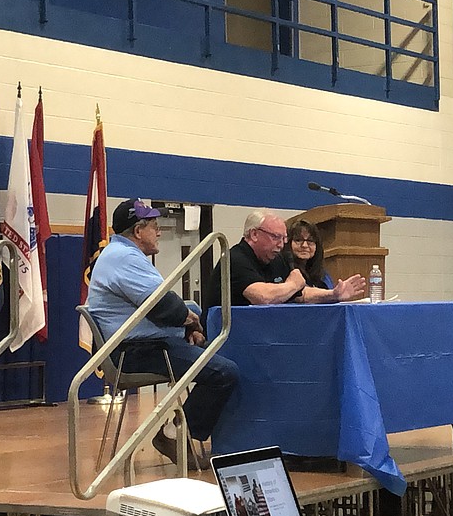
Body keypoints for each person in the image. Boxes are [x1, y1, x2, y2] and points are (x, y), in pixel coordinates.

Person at [87, 198, 238, 470]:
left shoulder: (121, 256)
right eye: (155, 226)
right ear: (137, 231)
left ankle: (182, 434)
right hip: (136, 352)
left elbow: (167, 307)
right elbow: (164, 305)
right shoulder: (124, 258)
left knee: (221, 362)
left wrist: (185, 324)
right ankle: (173, 435)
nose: (159, 232)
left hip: (149, 345)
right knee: (224, 372)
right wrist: (189, 322)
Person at [203, 210, 365, 324]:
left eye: (284, 239)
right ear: (254, 234)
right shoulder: (235, 259)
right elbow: (262, 297)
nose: (281, 245)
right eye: (276, 237)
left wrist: (333, 294)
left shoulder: (276, 259)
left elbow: (301, 294)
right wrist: (293, 284)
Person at [285, 219, 333, 289]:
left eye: (310, 241)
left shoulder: (323, 276)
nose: (304, 245)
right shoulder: (282, 271)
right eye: (298, 240)